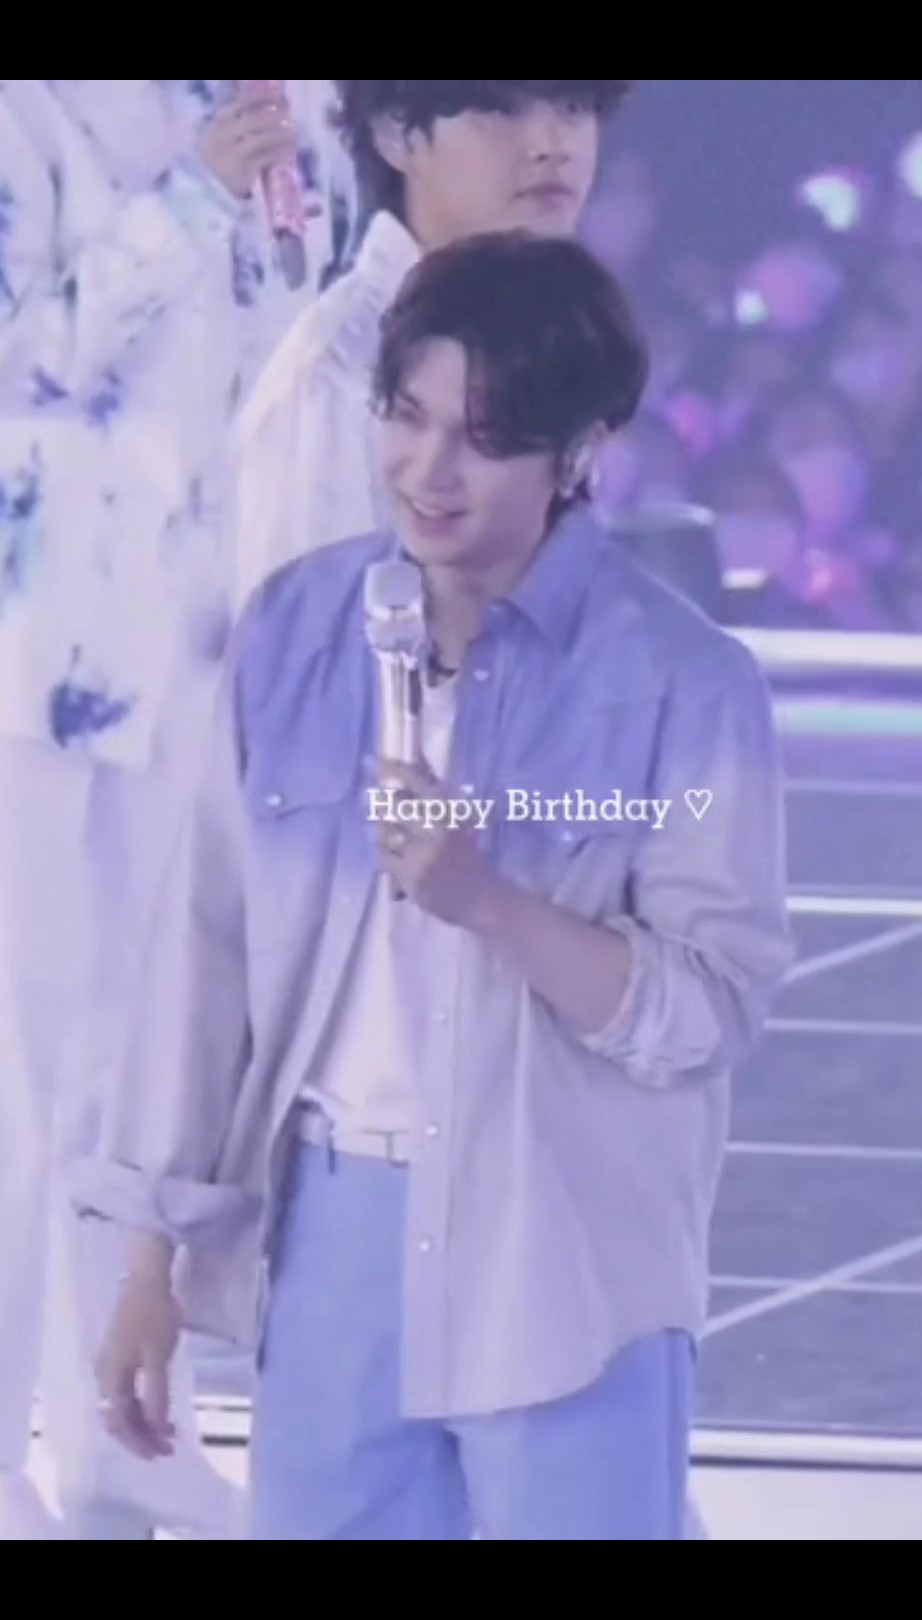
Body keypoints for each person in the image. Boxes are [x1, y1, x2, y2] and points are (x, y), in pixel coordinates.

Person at [80, 232, 794, 1541]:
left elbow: (709, 1008)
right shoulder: (297, 634)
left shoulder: (683, 685)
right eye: (406, 418)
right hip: (334, 1237)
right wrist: (148, 1262)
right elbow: (203, 952)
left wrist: (492, 904)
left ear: (577, 451)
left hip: (566, 1252)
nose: (427, 470)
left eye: (482, 438)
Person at [0, 78, 359, 1540]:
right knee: (21, 1071)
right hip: (44, 655)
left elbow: (307, 338)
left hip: (213, 647)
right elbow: (33, 345)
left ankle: (122, 1431)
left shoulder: (288, 100)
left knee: (148, 1068)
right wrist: (190, 202)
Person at [231, 79, 634, 607]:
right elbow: (302, 646)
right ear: (397, 133)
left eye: (573, 107)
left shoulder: (545, 342)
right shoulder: (335, 377)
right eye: (497, 109)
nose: (550, 145)